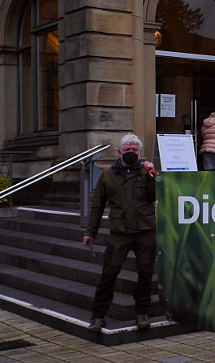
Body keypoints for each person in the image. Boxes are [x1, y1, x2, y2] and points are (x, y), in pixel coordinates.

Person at [83, 134, 157, 333]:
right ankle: (98, 317)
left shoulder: (146, 171)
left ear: (139, 152)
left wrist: (152, 175)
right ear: (119, 152)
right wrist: (91, 232)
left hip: (145, 230)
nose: (131, 153)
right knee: (108, 274)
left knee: (145, 274)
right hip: (119, 232)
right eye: (127, 150)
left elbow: (154, 196)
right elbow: (97, 204)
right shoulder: (108, 175)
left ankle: (142, 313)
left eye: (134, 150)